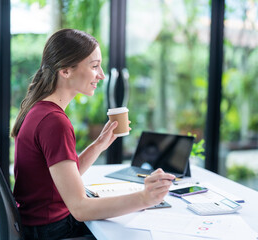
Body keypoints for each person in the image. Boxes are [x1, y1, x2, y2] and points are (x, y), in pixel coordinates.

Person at [11, 29, 175, 239]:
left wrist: (99, 145)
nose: (102, 74)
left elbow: (60, 181)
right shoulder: (54, 122)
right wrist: (145, 198)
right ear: (66, 70)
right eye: (94, 66)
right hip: (51, 231)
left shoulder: (40, 110)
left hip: (41, 225)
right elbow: (80, 208)